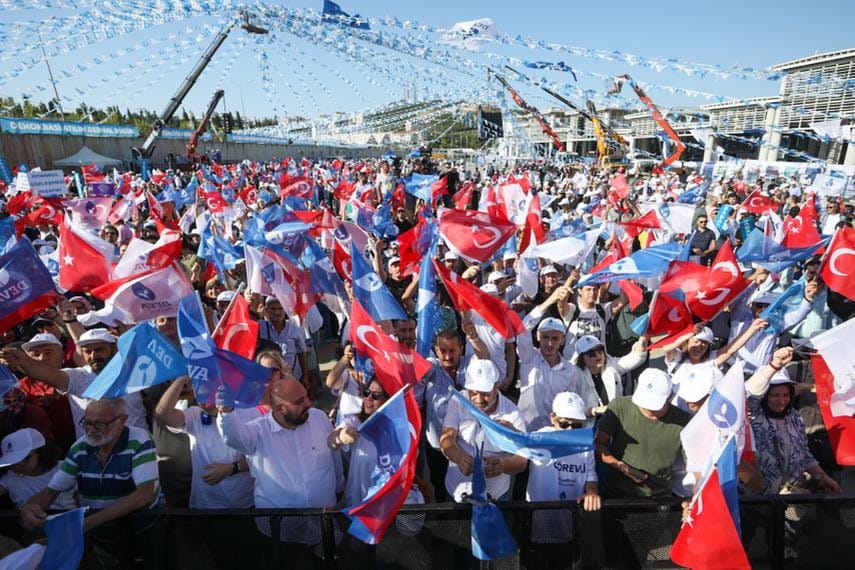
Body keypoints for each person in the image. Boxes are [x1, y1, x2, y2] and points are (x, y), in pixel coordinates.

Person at [21, 398, 162, 569]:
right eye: (87, 423)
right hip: (98, 529)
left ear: (122, 420)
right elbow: (52, 491)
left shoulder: (140, 439)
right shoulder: (79, 448)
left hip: (139, 527)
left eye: (99, 424)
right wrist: (31, 506)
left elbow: (144, 494)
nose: (91, 430)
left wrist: (85, 525)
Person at [217, 378, 344, 559]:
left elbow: (333, 456)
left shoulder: (319, 417)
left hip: (323, 519)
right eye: (299, 401)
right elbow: (232, 437)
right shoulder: (258, 432)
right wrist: (227, 411)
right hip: (280, 529)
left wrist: (339, 488)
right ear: (279, 409)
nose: (308, 403)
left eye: (306, 396)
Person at [0, 328, 148, 439]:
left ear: (114, 349)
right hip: (93, 452)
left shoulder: (137, 370)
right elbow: (47, 373)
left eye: (99, 349)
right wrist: (23, 361)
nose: (93, 355)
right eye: (87, 351)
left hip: (138, 449)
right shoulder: (78, 376)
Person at [745, 348, 840, 494]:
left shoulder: (794, 417)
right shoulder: (753, 414)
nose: (781, 400)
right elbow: (750, 393)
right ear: (765, 396)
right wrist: (774, 365)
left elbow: (804, 454)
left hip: (791, 494)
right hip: (759, 498)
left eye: (785, 395)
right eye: (775, 395)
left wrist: (822, 477)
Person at [526, 392, 600, 567]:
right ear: (552, 418)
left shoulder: (585, 444)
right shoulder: (540, 437)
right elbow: (519, 447)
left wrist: (591, 493)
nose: (569, 430)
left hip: (570, 524)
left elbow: (591, 474)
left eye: (576, 426)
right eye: (564, 423)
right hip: (540, 523)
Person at [440, 358, 527, 502]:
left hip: (495, 497)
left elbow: (523, 459)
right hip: (457, 491)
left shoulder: (512, 413)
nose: (479, 399)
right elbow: (446, 438)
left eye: (485, 393)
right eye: (473, 393)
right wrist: (459, 458)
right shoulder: (457, 401)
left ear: (496, 386)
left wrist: (504, 465)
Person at [595, 368, 691, 499]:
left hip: (660, 498)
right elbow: (599, 445)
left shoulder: (684, 421)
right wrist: (619, 465)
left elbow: (694, 465)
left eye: (654, 405)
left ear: (670, 397)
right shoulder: (618, 407)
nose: (647, 409)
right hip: (617, 494)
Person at [516, 285, 581, 430]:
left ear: (563, 340)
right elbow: (523, 328)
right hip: (526, 430)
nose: (549, 343)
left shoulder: (570, 370)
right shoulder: (529, 357)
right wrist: (551, 300)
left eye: (555, 338)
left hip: (555, 434)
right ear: (538, 336)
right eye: (545, 337)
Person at [574, 334, 648, 421]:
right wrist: (594, 410)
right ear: (582, 358)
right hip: (589, 424)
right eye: (591, 353)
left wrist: (644, 337)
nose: (598, 355)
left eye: (600, 350)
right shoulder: (574, 374)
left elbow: (636, 358)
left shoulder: (611, 365)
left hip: (615, 420)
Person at [0, 428, 76, 510]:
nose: (16, 467)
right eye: (10, 464)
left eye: (22, 460)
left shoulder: (66, 469)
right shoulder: (10, 477)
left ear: (41, 452)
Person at [257, 297, 309, 385]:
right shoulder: (261, 327)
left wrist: (305, 377)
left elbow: (302, 353)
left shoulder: (295, 329)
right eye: (273, 309)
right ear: (267, 310)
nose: (277, 312)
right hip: (269, 381)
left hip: (292, 379)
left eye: (280, 308)